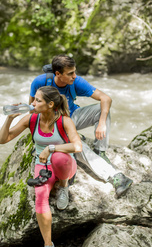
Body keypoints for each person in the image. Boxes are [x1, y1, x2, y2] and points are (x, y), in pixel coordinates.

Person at [0, 86, 82, 247]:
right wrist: (9, 118)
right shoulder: (32, 118)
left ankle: (64, 186)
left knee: (59, 158)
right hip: (42, 167)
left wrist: (51, 148)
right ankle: (48, 246)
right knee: (40, 198)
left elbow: (77, 146)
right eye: (33, 99)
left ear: (50, 104)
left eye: (37, 100)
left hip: (64, 164)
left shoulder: (64, 121)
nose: (32, 103)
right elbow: (2, 139)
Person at [29, 54, 133, 197]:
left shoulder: (76, 82)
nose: (74, 76)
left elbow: (106, 98)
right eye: (70, 73)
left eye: (75, 71)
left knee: (101, 109)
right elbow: (32, 109)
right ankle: (114, 176)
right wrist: (41, 139)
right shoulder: (40, 82)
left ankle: (100, 151)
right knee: (79, 146)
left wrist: (101, 123)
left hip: (71, 118)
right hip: (54, 125)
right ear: (58, 74)